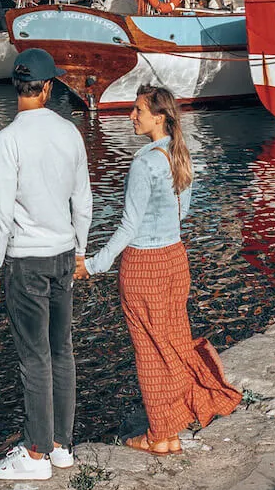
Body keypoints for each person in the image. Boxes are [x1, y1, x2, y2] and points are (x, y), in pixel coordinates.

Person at [83, 84, 241, 454]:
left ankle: (160, 436)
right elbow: (182, 213)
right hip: (175, 258)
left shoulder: (144, 162)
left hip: (145, 266)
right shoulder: (180, 153)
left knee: (150, 351)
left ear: (159, 116)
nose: (132, 116)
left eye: (138, 110)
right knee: (172, 342)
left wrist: (93, 264)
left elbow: (128, 226)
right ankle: (171, 424)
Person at [0, 48, 93, 482]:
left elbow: (1, 209)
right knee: (61, 349)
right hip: (65, 254)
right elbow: (82, 200)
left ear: (18, 87)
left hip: (25, 261)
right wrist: (81, 250)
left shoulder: (8, 138)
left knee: (34, 358)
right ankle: (62, 446)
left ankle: (34, 453)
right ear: (47, 87)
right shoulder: (70, 133)